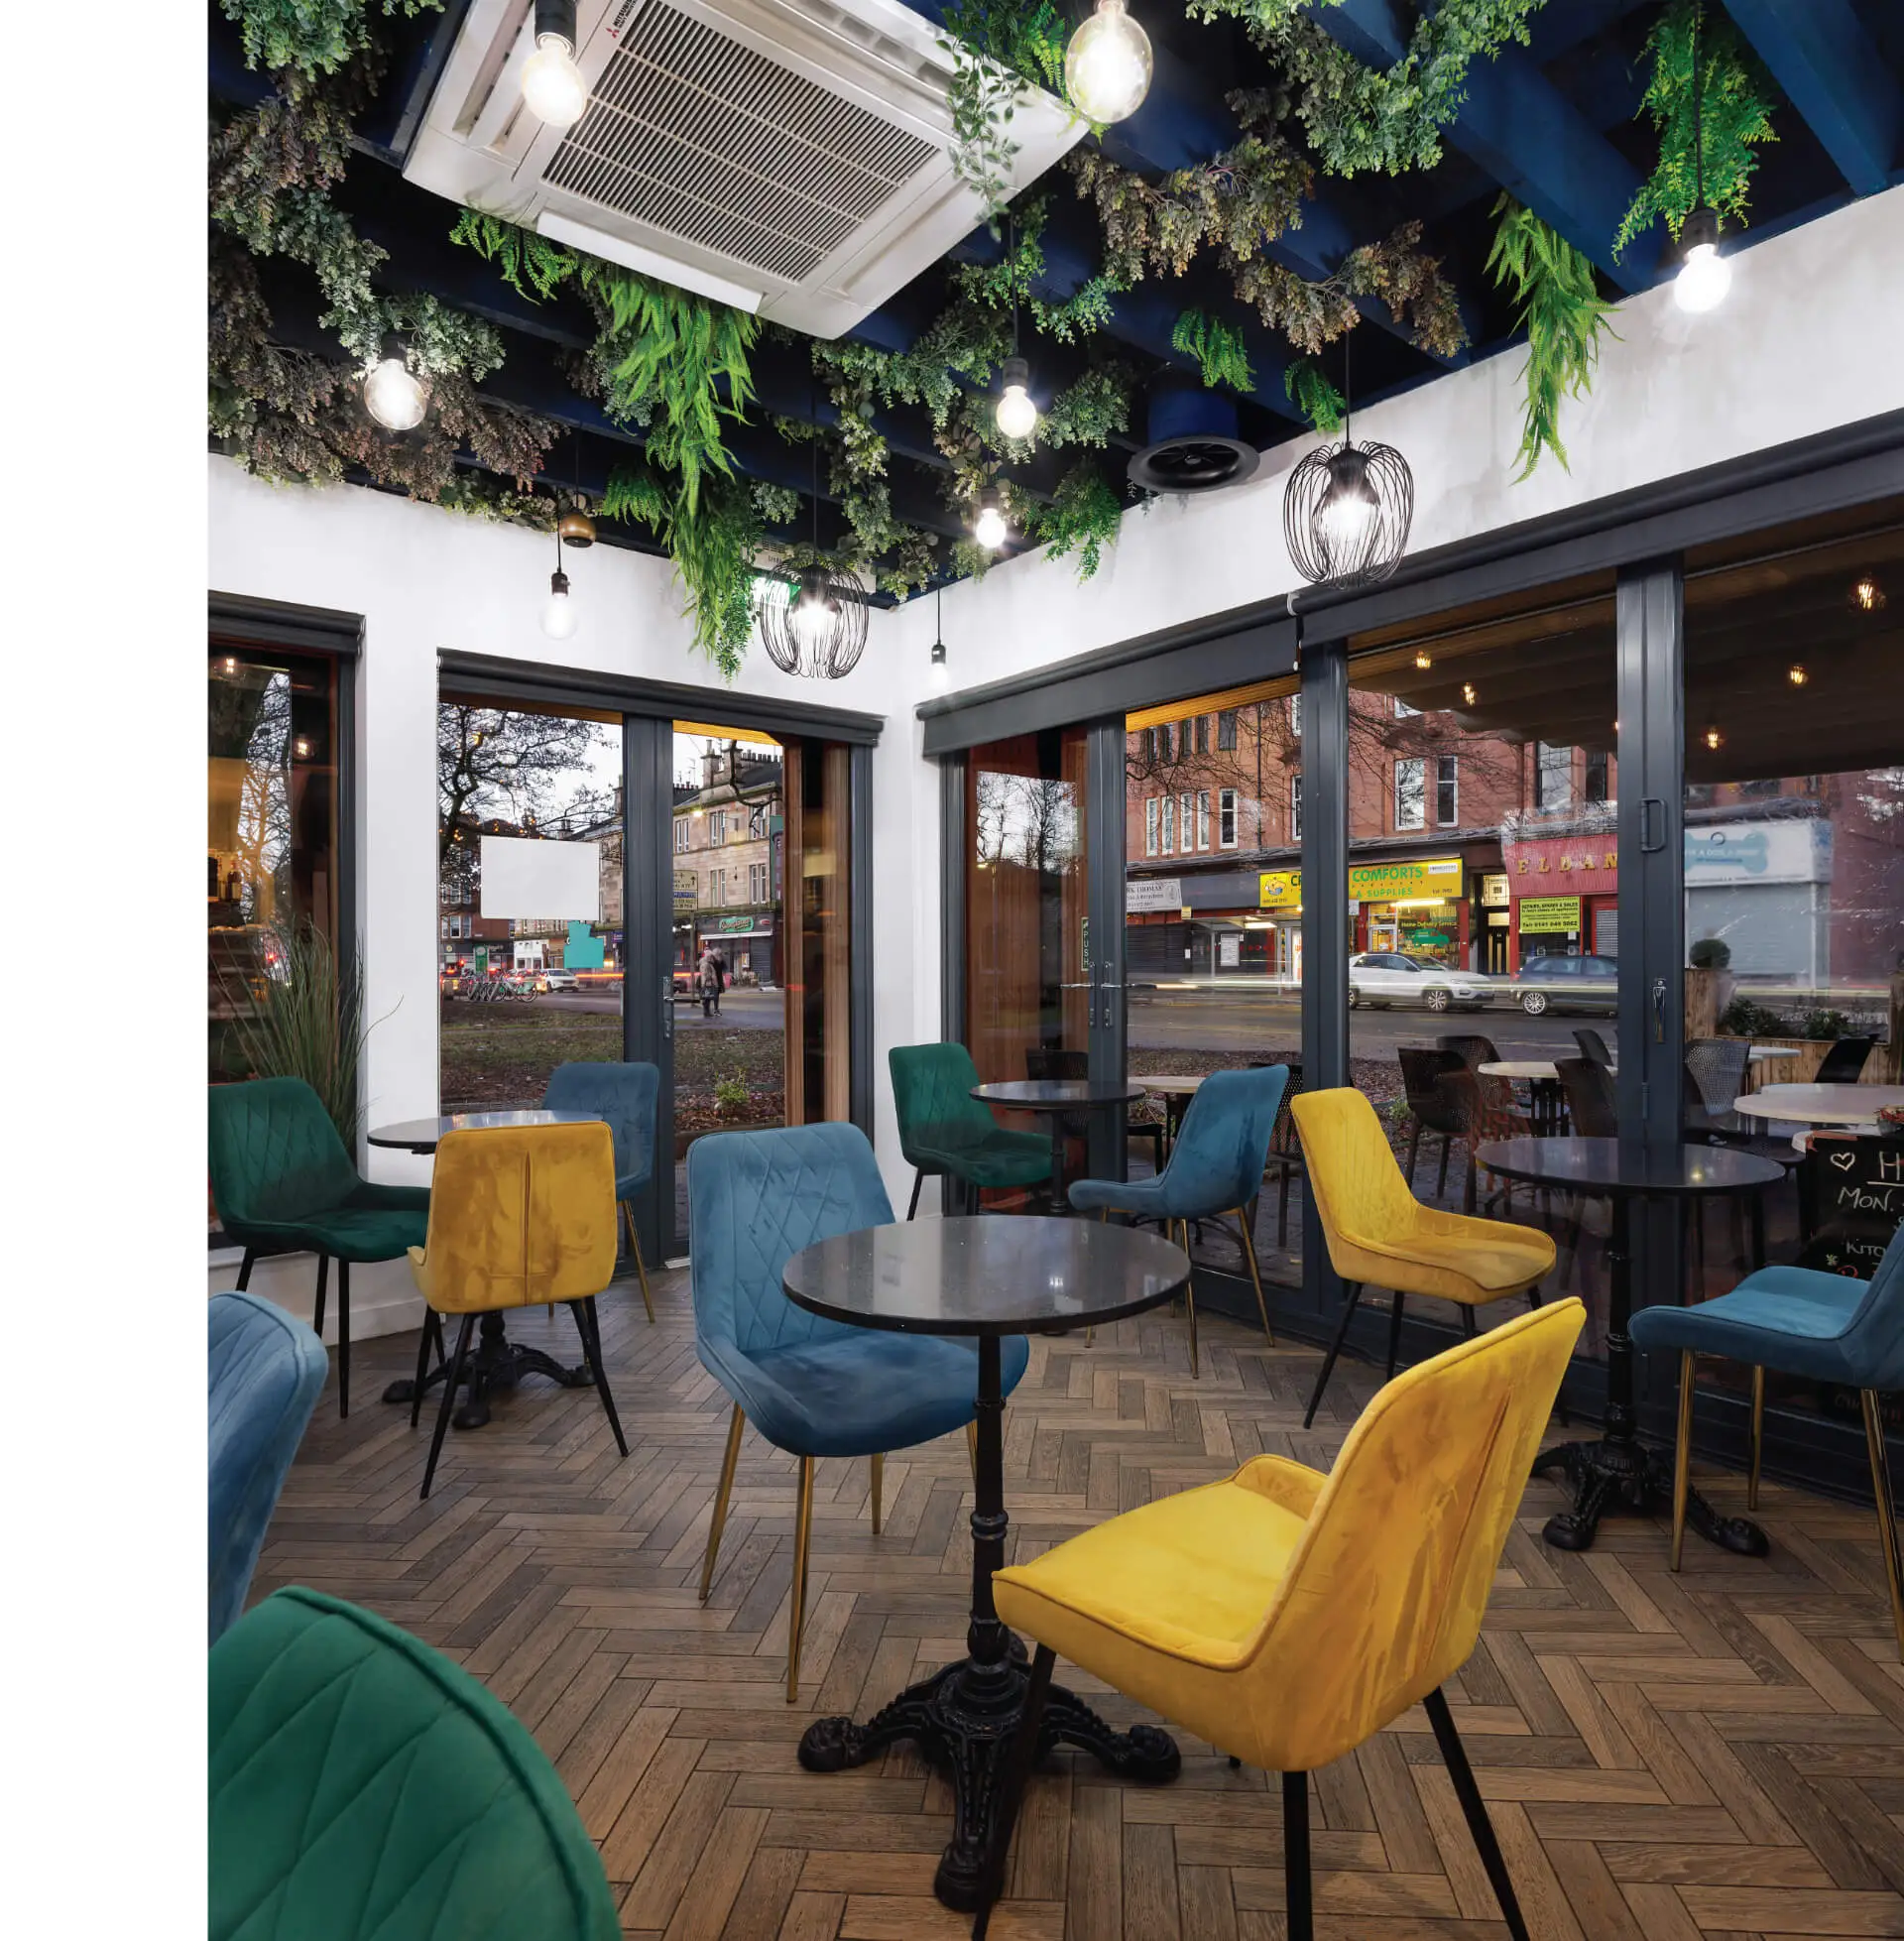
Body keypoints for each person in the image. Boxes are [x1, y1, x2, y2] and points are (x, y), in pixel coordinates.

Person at [698, 945, 720, 1020]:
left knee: (707, 998)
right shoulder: (706, 964)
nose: (712, 957)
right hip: (707, 984)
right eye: (710, 956)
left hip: (708, 983)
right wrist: (710, 978)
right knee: (706, 999)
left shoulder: (708, 963)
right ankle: (706, 1012)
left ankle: (707, 1012)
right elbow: (705, 975)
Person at [710, 946, 727, 1015]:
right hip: (713, 980)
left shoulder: (720, 960)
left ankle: (715, 1009)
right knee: (712, 995)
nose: (720, 955)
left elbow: (725, 968)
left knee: (716, 995)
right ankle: (712, 1010)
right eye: (719, 954)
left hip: (718, 980)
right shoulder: (712, 961)